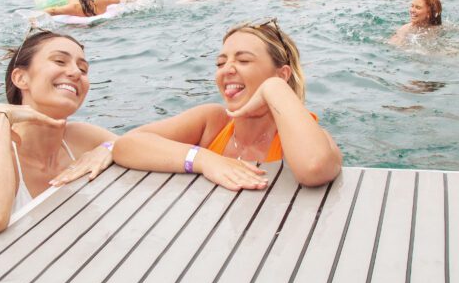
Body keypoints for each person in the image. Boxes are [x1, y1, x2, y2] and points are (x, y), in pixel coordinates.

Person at [113, 19, 342, 190]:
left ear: (282, 74)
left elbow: (315, 168)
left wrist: (274, 88)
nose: (227, 69)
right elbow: (126, 145)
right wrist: (206, 159)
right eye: (221, 63)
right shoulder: (213, 121)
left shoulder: (301, 133)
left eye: (243, 60)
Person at [0, 30, 117, 235]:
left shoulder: (81, 136)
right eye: (60, 61)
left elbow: (139, 142)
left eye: (83, 69)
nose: (76, 73)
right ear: (21, 78)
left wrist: (108, 148)